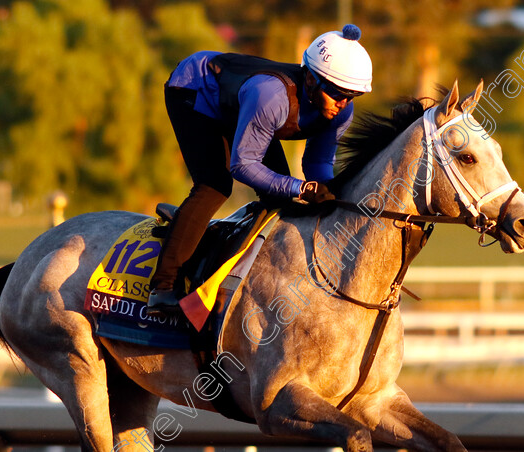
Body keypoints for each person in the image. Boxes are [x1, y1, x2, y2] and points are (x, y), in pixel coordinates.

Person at [147, 24, 373, 316]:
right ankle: (164, 287)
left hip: (239, 102)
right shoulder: (272, 97)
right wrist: (300, 188)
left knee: (279, 201)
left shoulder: (341, 110)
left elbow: (317, 163)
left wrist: (327, 195)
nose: (343, 103)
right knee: (214, 185)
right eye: (337, 93)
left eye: (352, 96)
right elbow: (243, 165)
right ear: (311, 80)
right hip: (194, 89)